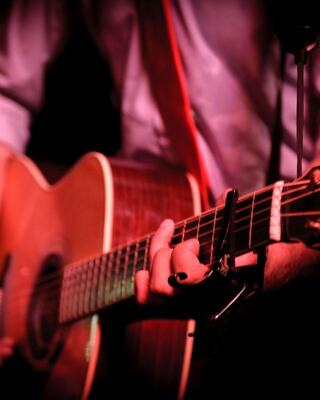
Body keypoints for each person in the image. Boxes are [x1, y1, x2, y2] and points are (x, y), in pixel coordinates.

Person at [0, 0, 320, 397]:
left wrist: (279, 263)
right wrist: (12, 260)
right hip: (129, 225)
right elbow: (5, 94)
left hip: (289, 304)